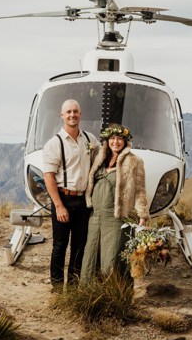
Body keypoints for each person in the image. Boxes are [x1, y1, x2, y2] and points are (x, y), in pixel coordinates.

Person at [80, 123, 149, 282]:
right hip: (95, 217)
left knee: (111, 260)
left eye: (119, 139)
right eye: (112, 138)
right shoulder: (99, 157)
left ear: (125, 141)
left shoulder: (134, 161)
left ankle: (115, 297)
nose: (115, 142)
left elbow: (140, 190)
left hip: (116, 218)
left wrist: (142, 215)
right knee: (89, 258)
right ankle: (89, 296)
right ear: (107, 140)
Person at [42, 99, 97, 287]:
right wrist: (59, 206)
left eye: (75, 111)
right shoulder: (54, 143)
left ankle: (73, 289)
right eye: (68, 112)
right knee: (60, 246)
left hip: (84, 201)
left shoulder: (90, 139)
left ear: (80, 114)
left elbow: (103, 158)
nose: (72, 115)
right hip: (63, 199)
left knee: (79, 246)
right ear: (62, 116)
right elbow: (48, 176)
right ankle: (57, 290)